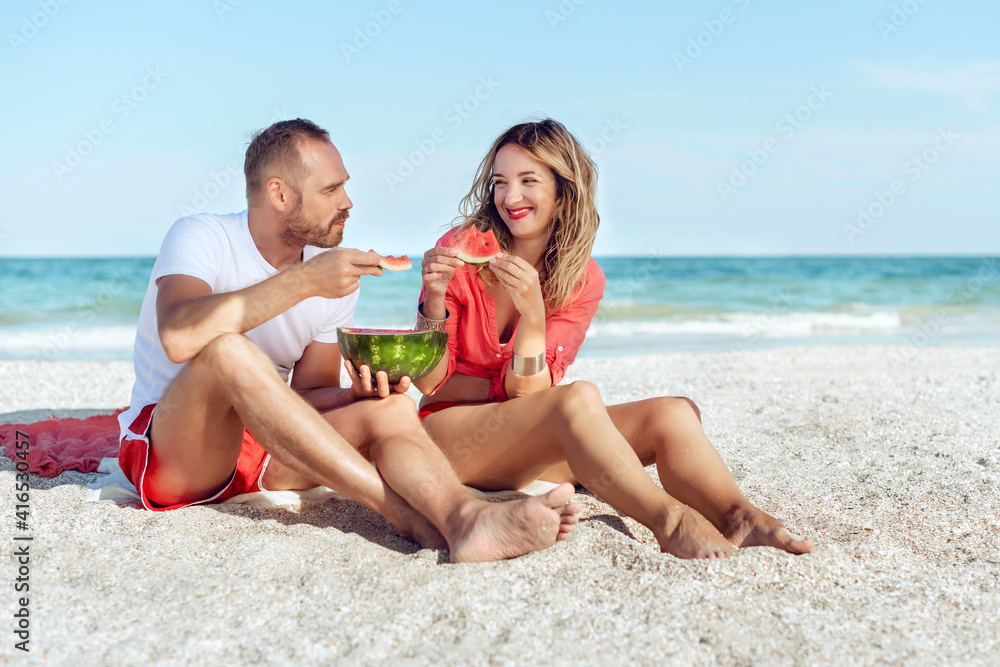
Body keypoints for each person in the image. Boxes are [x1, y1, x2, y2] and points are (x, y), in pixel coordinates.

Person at [116, 118, 580, 563]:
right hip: (177, 453)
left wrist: (353, 395)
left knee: (393, 408)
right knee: (228, 350)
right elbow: (179, 336)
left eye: (345, 186)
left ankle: (465, 519)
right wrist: (303, 281)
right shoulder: (203, 236)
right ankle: (401, 514)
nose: (348, 202)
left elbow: (304, 398)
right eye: (330, 190)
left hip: (263, 454)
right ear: (279, 193)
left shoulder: (333, 275)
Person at [414, 119, 814, 559]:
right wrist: (433, 301)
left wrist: (532, 314)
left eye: (529, 181)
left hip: (528, 444)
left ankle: (740, 517)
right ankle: (670, 521)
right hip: (452, 438)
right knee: (577, 397)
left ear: (563, 190)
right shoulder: (458, 248)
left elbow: (525, 395)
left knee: (674, 413)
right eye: (500, 182)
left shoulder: (583, 279)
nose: (510, 198)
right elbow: (430, 382)